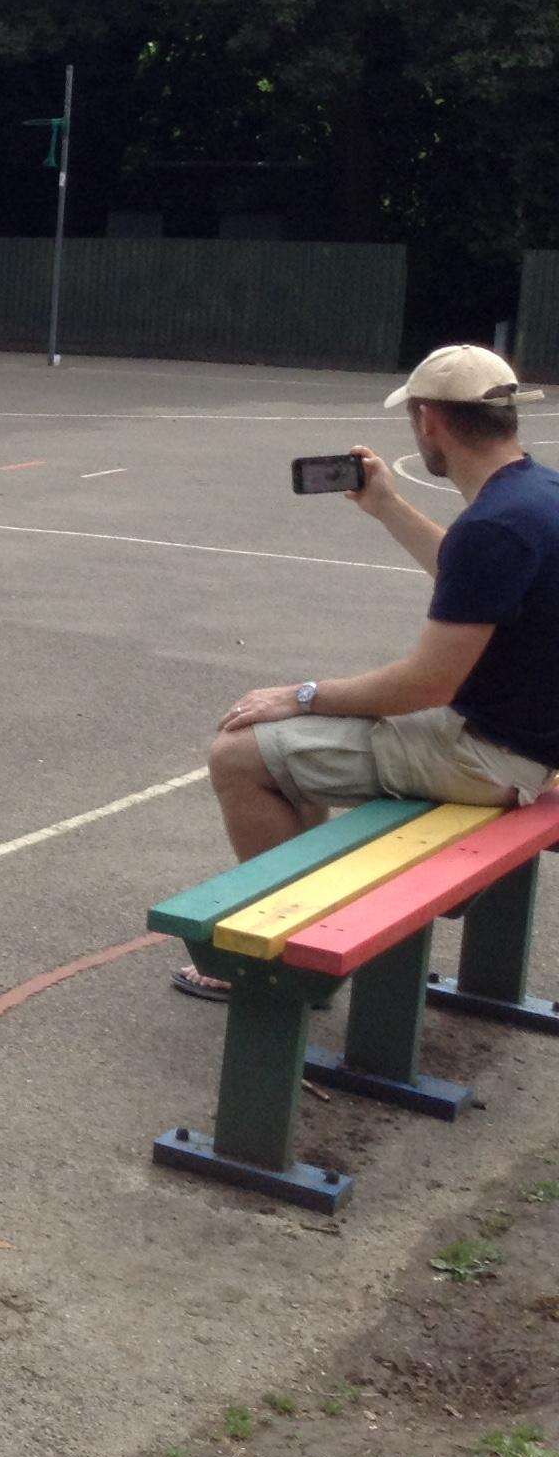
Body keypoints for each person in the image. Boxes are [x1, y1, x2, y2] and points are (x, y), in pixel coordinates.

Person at [177, 343, 559, 999]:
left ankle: (285, 968)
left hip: (485, 758)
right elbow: (473, 574)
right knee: (300, 746)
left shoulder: (494, 525)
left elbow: (426, 685)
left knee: (240, 755)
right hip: (531, 745)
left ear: (428, 420)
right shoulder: (538, 495)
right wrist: (385, 505)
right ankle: (306, 921)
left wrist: (302, 695)